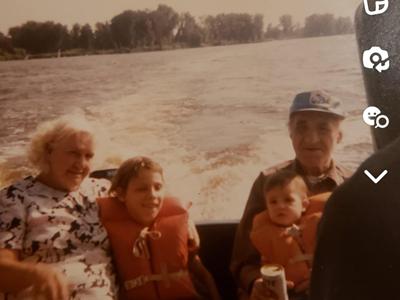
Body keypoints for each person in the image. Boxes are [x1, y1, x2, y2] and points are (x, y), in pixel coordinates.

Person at [231, 90, 352, 300]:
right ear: (290, 133)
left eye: (323, 128)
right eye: (301, 127)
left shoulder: (352, 187)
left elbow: (370, 257)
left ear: (338, 136)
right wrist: (255, 284)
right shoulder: (266, 182)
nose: (311, 138)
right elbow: (243, 260)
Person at [0, 115, 117, 300]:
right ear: (48, 151)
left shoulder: (102, 190)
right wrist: (34, 274)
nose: (81, 164)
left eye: (88, 156)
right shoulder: (14, 198)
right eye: (73, 153)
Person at [97, 156, 220, 300]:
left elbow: (203, 274)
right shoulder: (103, 231)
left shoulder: (180, 223)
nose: (152, 195)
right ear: (122, 194)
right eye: (142, 189)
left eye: (158, 187)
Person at [250, 169, 330, 299]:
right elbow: (250, 264)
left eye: (288, 200)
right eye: (273, 202)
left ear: (304, 205)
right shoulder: (264, 232)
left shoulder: (320, 225)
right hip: (288, 291)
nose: (280, 206)